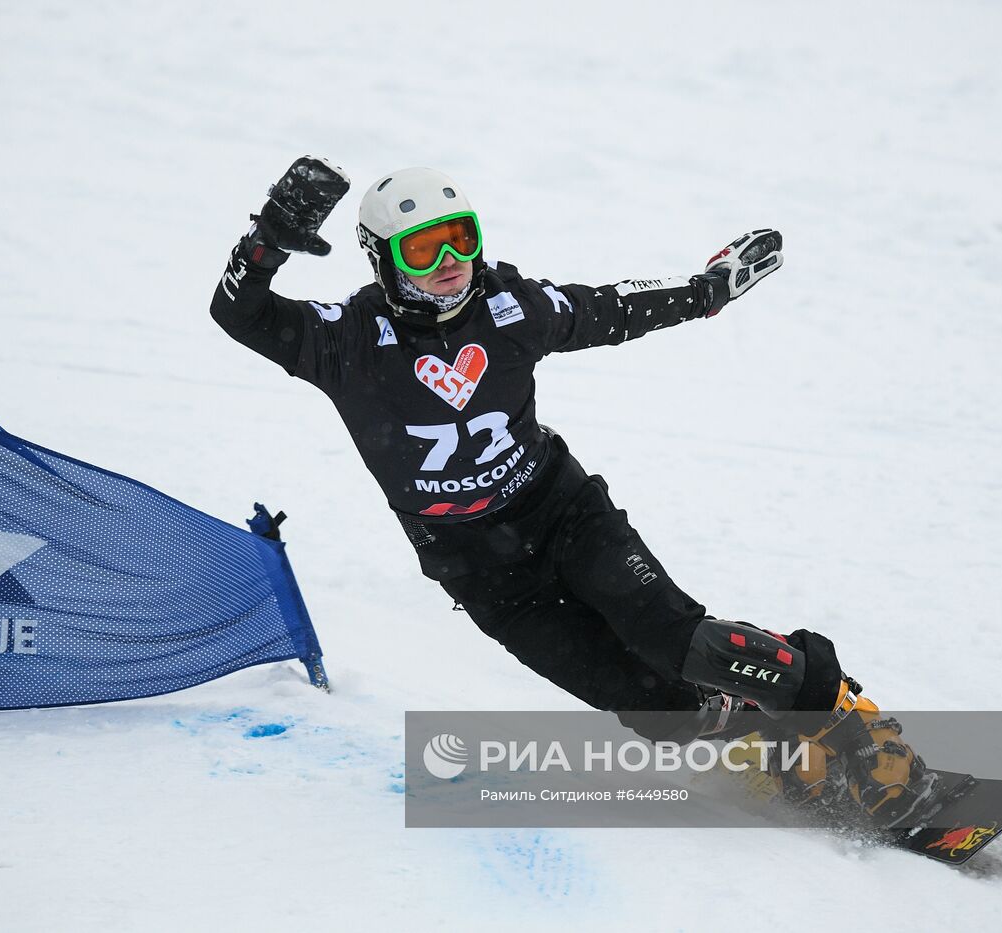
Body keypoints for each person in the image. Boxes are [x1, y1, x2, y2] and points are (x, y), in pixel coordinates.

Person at [210, 157, 931, 824]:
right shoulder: (346, 340)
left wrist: (707, 291)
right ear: (383, 257)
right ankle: (779, 752)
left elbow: (611, 308)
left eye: (462, 239)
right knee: (653, 707)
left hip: (562, 514)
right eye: (424, 250)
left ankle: (844, 716)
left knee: (679, 640)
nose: (452, 264)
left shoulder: (510, 309)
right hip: (482, 573)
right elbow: (236, 312)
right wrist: (271, 235)